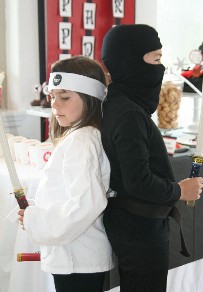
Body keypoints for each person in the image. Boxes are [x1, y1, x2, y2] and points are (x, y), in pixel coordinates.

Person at [100, 24, 203, 292]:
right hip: (139, 229)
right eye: (155, 58)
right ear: (130, 61)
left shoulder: (118, 104)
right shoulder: (129, 114)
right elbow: (138, 181)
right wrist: (179, 190)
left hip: (134, 225)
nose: (160, 67)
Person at [18, 56, 114, 292]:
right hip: (78, 256)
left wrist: (36, 220)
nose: (55, 105)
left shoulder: (81, 140)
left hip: (77, 257)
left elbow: (86, 204)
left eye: (65, 97)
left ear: (90, 98)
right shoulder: (82, 135)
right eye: (52, 97)